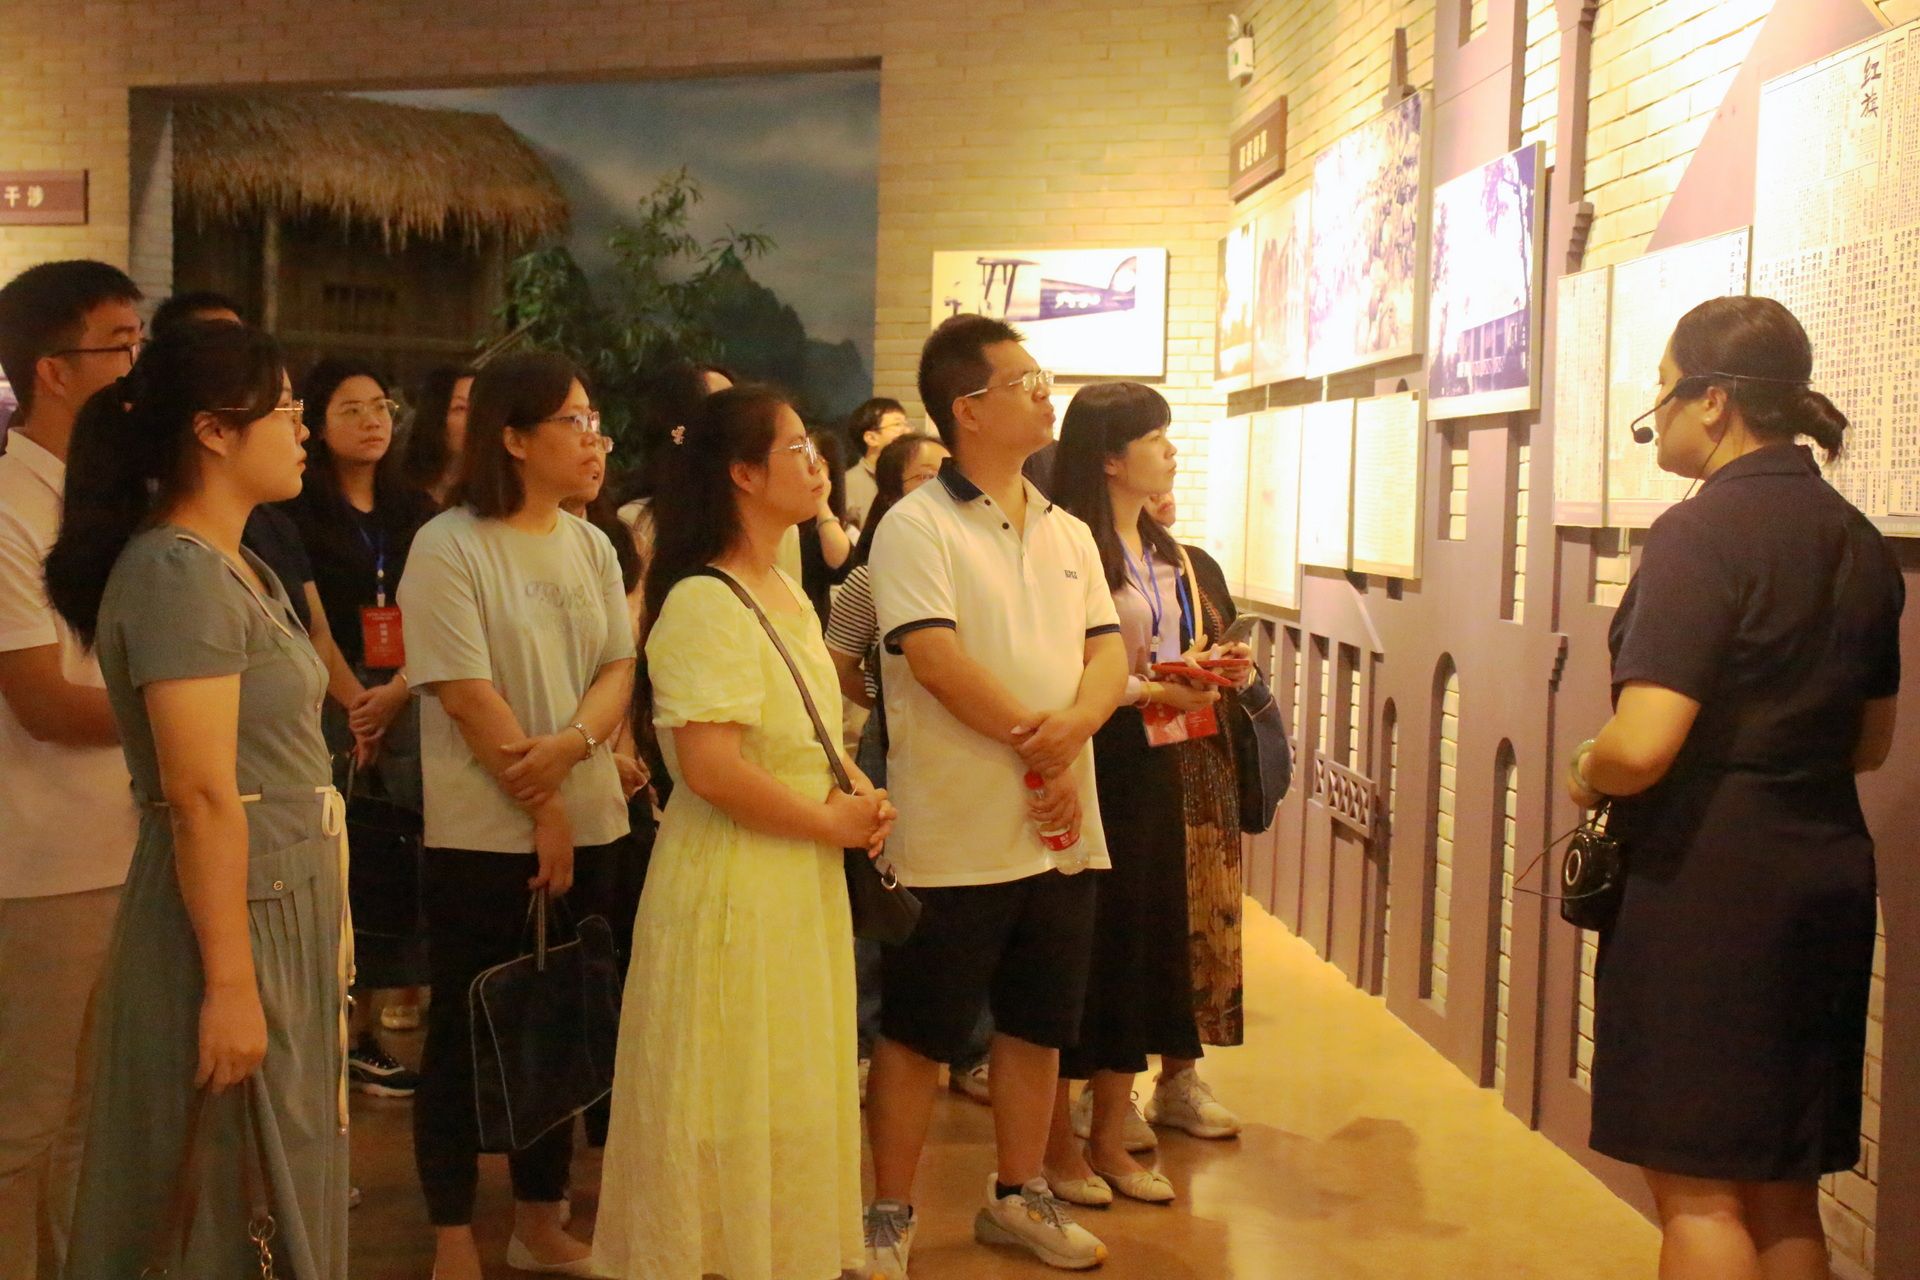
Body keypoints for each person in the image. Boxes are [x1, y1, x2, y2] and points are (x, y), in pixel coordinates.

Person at [1565, 296, 1903, 1280]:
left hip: (1706, 885)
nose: (1658, 417)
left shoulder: (1699, 534)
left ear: (1714, 401)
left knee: (1700, 1192)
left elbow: (1643, 745)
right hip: (1824, 875)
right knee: (1784, 1187)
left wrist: (1587, 765)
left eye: (1662, 394)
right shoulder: (1857, 538)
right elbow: (1869, 744)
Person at [46, 319, 350, 1278]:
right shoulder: (177, 571)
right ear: (215, 431)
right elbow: (202, 794)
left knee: (275, 1171)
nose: (303, 429)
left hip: (278, 895)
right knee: (221, 1198)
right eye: (286, 409)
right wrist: (228, 985)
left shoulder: (235, 560)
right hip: (233, 911)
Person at [593, 385, 893, 1280]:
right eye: (795, 447)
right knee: (723, 1090)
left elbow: (800, 733)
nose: (817, 461)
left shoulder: (786, 586)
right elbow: (712, 770)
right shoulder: (703, 600)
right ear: (743, 475)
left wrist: (855, 791)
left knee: (784, 1087)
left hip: (795, 871)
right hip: (735, 879)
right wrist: (829, 819)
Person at [863, 315, 1128, 1276]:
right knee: (919, 1034)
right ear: (967, 409)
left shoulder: (1066, 528)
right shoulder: (916, 525)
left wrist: (1076, 730)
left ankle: (1019, 1195)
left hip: (1060, 830)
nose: (1045, 393)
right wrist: (1041, 749)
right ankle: (889, 1215)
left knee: (1036, 1024)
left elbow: (1108, 651)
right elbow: (935, 661)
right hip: (953, 830)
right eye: (1025, 381)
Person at [398, 351, 633, 1280]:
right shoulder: (448, 544)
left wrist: (573, 751)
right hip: (483, 835)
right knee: (468, 1030)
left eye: (596, 423)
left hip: (595, 817)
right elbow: (464, 693)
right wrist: (543, 808)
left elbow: (618, 667)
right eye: (574, 422)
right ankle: (453, 1232)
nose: (594, 441)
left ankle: (539, 1218)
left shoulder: (592, 545)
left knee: (562, 1023)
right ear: (513, 438)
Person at [1042, 382, 1245, 1207]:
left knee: (1147, 935)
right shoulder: (1068, 545)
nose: (1171, 451)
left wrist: (1207, 670)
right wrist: (1148, 689)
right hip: (1096, 749)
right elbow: (1062, 664)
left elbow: (1184, 637)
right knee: (1085, 941)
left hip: (1165, 755)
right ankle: (1063, 1140)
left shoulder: (1169, 550)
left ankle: (1114, 1125)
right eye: (1155, 438)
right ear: (1108, 458)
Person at [0, 259, 142, 1280]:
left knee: (98, 1120)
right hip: (38, 863)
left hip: (126, 843)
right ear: (53, 370)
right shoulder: (10, 505)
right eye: (120, 346)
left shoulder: (106, 501)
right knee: (24, 1127)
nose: (139, 369)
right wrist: (183, 715)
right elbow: (44, 703)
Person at [823, 431, 994, 1105]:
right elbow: (837, 664)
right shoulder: (872, 576)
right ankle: (868, 1042)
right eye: (921, 476)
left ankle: (972, 1049)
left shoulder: (980, 566)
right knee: (886, 896)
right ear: (892, 493)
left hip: (976, 747)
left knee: (972, 898)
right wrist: (886, 700)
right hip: (890, 747)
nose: (939, 486)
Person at [283, 358, 437, 1070]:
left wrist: (397, 690)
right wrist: (356, 706)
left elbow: (439, 612)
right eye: (351, 409)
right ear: (315, 424)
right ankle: (334, 1029)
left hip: (409, 695)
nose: (373, 421)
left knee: (396, 852)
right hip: (328, 699)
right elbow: (308, 624)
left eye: (381, 406)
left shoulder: (417, 511)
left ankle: (375, 1023)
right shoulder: (295, 510)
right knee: (338, 851)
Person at [1147, 488, 1252, 1088]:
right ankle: (1101, 1092)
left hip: (1203, 751)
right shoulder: (1090, 557)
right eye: (1153, 448)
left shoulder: (1195, 562)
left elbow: (1224, 643)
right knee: (1133, 923)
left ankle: (1181, 1077)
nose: (1168, 478)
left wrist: (1235, 664)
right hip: (1127, 753)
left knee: (1201, 914)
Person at [799, 426, 855, 625]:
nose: (804, 467)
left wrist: (821, 504)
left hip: (811, 628)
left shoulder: (828, 525)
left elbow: (841, 568)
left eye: (812, 459)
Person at [399, 364, 475, 509]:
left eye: (481, 406)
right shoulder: (400, 494)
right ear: (434, 417)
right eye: (460, 408)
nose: (477, 418)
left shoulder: (505, 491)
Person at [842, 396, 908, 529]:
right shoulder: (847, 485)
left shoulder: (911, 477)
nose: (907, 431)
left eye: (906, 424)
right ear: (871, 438)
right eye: (897, 424)